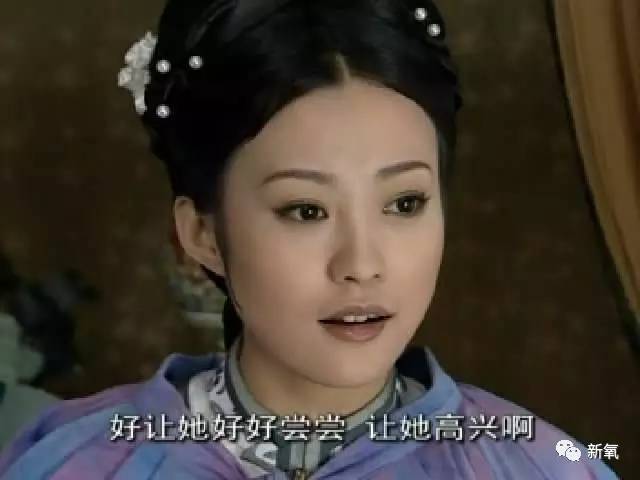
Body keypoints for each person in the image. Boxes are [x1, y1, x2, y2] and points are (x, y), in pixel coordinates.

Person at [0, 0, 619, 478]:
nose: (362, 264)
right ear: (203, 234)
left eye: (404, 203)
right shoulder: (77, 461)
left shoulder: (540, 465)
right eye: (304, 210)